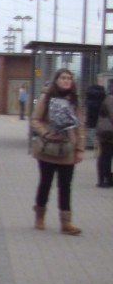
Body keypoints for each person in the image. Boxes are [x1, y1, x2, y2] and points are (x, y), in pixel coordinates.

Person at [31, 68, 84, 234]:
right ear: (56, 80)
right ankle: (40, 215)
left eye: (69, 78)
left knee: (65, 186)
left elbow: (80, 125)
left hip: (68, 149)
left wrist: (80, 148)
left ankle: (66, 222)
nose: (66, 81)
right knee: (46, 183)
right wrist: (46, 133)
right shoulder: (46, 97)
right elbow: (35, 120)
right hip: (48, 148)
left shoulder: (74, 100)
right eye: (63, 78)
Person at [96, 86, 113, 188]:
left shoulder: (107, 98)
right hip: (108, 133)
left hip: (106, 132)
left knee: (105, 156)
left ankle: (105, 178)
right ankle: (103, 179)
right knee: (105, 156)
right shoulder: (110, 99)